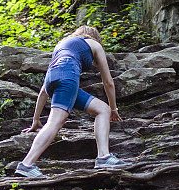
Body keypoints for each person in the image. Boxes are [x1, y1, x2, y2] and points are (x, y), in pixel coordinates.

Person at [15, 25, 123, 178]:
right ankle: (27, 164)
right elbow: (108, 82)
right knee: (56, 121)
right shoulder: (94, 44)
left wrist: (36, 119)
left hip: (54, 78)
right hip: (69, 75)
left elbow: (44, 89)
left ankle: (103, 157)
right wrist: (114, 108)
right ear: (95, 37)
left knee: (102, 110)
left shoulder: (63, 45)